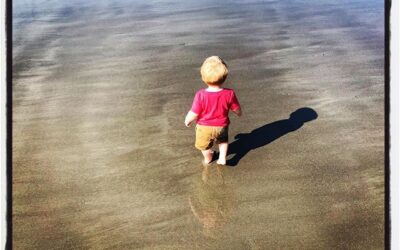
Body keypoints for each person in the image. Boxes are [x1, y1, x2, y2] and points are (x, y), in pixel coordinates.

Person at [184, 56, 242, 165]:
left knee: (204, 146)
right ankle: (222, 158)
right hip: (222, 126)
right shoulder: (229, 93)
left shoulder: (200, 94)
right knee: (223, 141)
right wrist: (239, 113)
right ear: (225, 77)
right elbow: (236, 108)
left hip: (204, 127)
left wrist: (188, 120)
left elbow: (194, 113)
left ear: (203, 77)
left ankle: (208, 158)